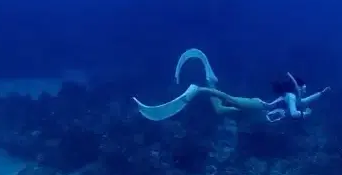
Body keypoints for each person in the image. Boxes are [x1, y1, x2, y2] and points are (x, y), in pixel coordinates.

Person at [133, 48, 330, 123]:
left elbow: (305, 101)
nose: (304, 90)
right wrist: (306, 116)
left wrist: (322, 93)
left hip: (258, 110)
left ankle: (210, 80)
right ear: (297, 86)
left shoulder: (294, 97)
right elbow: (296, 111)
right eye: (303, 87)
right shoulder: (291, 97)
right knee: (229, 99)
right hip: (257, 106)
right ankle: (199, 89)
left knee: (219, 109)